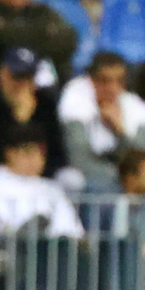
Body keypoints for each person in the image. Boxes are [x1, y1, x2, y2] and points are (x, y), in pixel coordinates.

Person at [0, 46, 67, 172]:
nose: (22, 85)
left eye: (28, 78)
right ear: (1, 74)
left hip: (40, 178)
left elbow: (56, 156)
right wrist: (19, 122)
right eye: (16, 77)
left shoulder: (45, 106)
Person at [59, 53, 145, 191]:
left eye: (120, 81)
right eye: (105, 81)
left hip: (126, 179)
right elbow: (79, 160)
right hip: (92, 179)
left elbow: (141, 158)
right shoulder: (76, 101)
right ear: (91, 80)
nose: (112, 88)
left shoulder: (133, 106)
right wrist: (119, 178)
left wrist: (119, 131)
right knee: (72, 179)